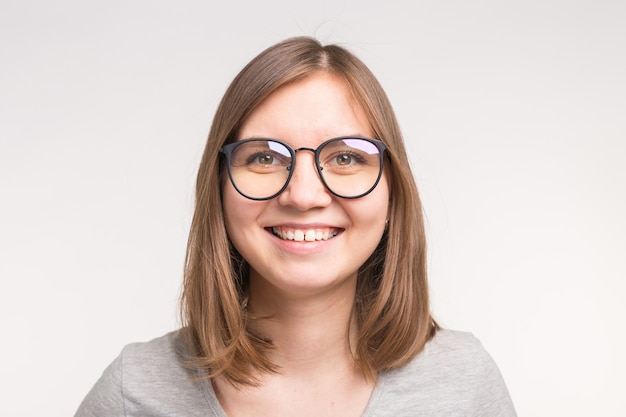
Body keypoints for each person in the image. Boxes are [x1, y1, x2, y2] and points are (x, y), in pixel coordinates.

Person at [75, 36, 516, 417]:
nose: (304, 196)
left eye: (346, 157)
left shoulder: (464, 385)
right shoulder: (132, 393)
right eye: (264, 157)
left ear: (392, 190)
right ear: (219, 187)